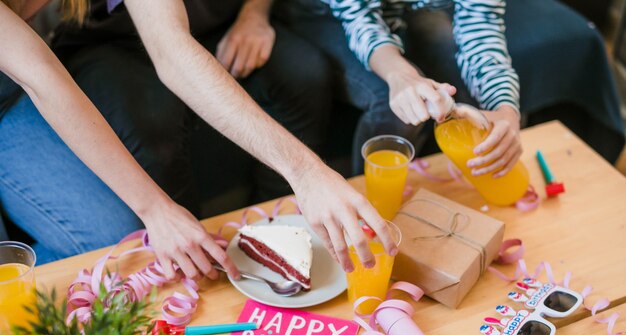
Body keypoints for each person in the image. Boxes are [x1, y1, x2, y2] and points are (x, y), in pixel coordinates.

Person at [0, 0, 396, 278]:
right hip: (24, 88)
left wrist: (307, 171)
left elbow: (172, 48)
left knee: (124, 233)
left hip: (22, 85)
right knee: (111, 239)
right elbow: (44, 80)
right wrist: (157, 209)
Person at [275, 0, 625, 175]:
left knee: (463, 81)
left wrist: (506, 109)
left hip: (410, 8)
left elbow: (482, 27)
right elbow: (360, 19)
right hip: (326, 13)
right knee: (390, 101)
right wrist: (401, 76)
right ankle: (362, 216)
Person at [52, 0, 334, 207]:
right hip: (111, 41)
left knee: (305, 74)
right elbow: (170, 49)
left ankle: (282, 228)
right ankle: (192, 257)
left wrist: (254, 14)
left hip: (214, 24)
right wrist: (305, 170)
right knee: (154, 120)